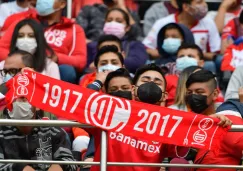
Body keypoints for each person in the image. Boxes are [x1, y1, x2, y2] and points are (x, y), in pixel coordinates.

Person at [0, 0, 87, 84]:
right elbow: (1, 48)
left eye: (31, 36)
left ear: (62, 4)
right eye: (21, 35)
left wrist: (56, 57)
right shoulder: (22, 22)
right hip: (14, 66)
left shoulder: (74, 29)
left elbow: (81, 60)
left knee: (67, 70)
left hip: (48, 67)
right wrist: (20, 61)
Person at [185, 70, 243, 170]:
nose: (193, 96)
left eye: (199, 92)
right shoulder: (189, 122)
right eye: (189, 92)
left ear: (215, 94)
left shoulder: (226, 118)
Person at [0, 97, 77, 171]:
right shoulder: (1, 133)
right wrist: (19, 168)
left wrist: (60, 166)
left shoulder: (53, 131)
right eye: (14, 98)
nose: (18, 102)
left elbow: (71, 162)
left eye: (23, 99)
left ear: (37, 105)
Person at [143, 0, 221, 66]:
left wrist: (192, 56)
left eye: (204, 1)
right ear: (186, 7)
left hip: (199, 65)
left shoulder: (209, 23)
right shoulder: (163, 23)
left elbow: (215, 53)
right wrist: (167, 55)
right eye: (199, 2)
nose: (204, 5)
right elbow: (146, 48)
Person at [87, 8, 148, 74]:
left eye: (119, 21)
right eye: (109, 20)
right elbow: (85, 67)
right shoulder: (93, 45)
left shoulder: (136, 44)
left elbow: (138, 64)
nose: (113, 23)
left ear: (127, 27)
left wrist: (110, 62)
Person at [0, 19, 60, 84]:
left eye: (31, 36)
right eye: (21, 36)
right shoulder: (3, 65)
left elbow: (54, 92)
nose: (25, 40)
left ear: (38, 39)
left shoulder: (51, 66)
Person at [76, 0, 141, 42]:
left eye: (119, 20)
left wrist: (122, 7)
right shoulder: (89, 10)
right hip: (94, 51)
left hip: (124, 51)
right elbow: (77, 35)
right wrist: (93, 44)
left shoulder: (131, 14)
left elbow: (137, 35)